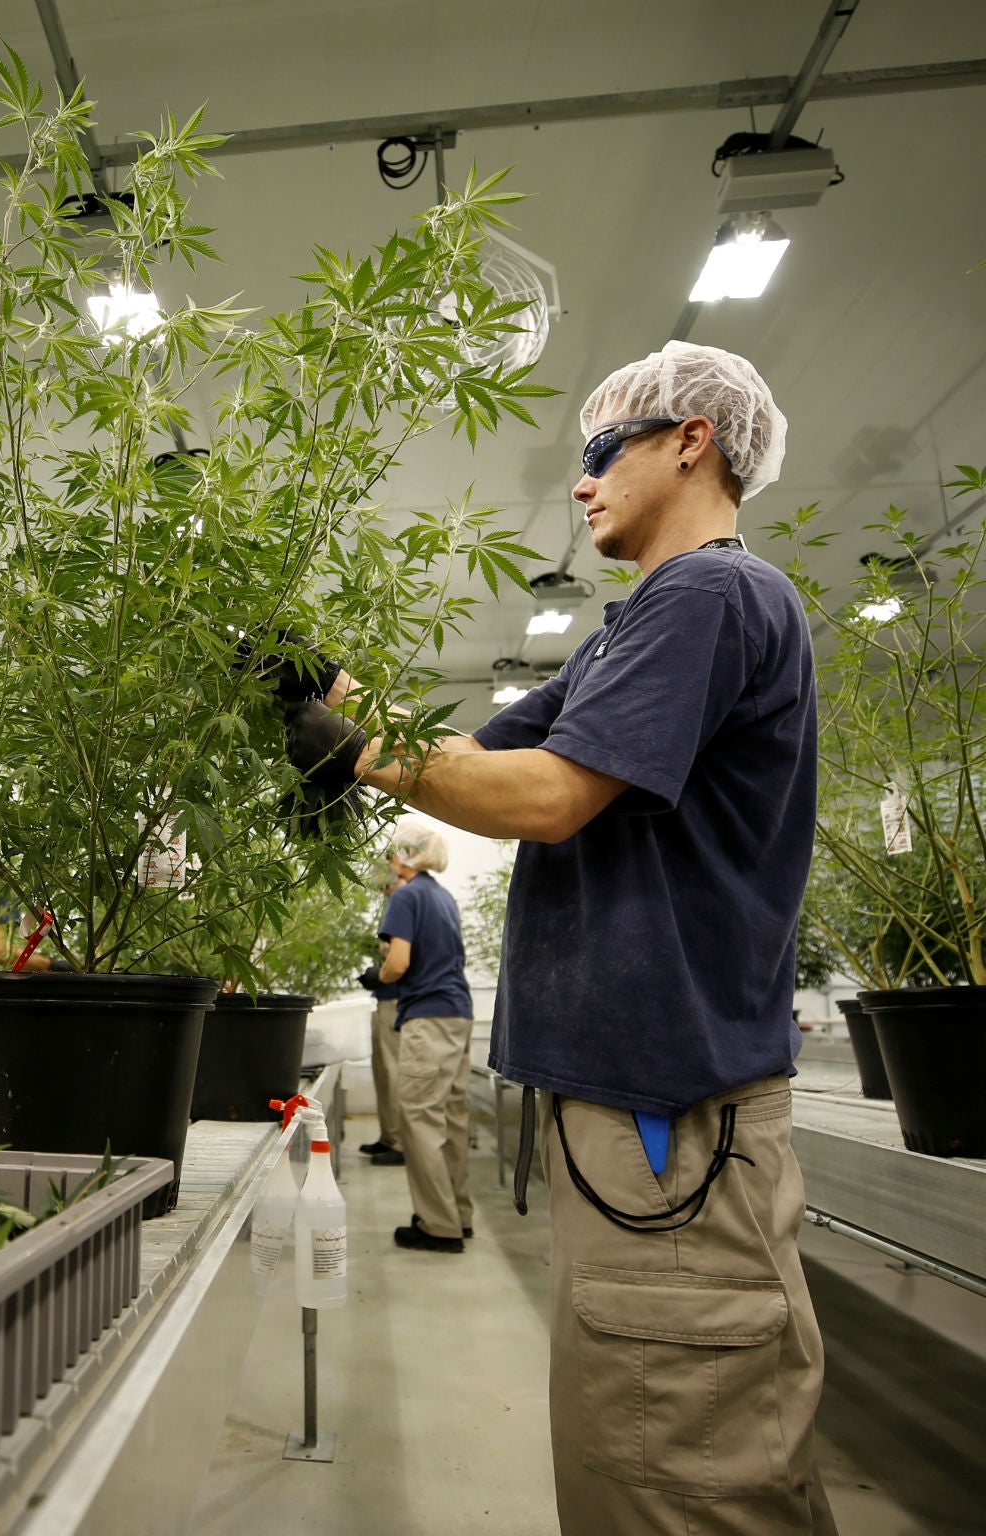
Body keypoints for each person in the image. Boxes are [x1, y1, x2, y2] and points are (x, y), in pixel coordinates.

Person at [284, 341, 832, 1534]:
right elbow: (475, 759)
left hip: (670, 1120)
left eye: (598, 453)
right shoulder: (625, 636)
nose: (578, 484)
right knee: (639, 1448)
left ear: (691, 439)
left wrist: (344, 747)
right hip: (644, 1110)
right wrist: (326, 686)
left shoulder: (712, 594)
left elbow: (542, 799)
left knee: (678, 1469)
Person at [375, 820, 474, 1251]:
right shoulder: (442, 896)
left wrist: (381, 973)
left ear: (402, 856)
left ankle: (438, 1225)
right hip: (458, 1013)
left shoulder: (407, 895)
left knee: (420, 1119)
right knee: (452, 1118)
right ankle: (459, 1214)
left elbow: (398, 963)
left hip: (427, 1017)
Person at [356, 859, 410, 1166]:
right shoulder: (394, 902)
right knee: (383, 1070)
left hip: (398, 1001)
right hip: (386, 999)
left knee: (393, 1072)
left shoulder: (405, 900)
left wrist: (380, 968)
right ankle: (389, 1136)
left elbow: (401, 957)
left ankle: (400, 1142)